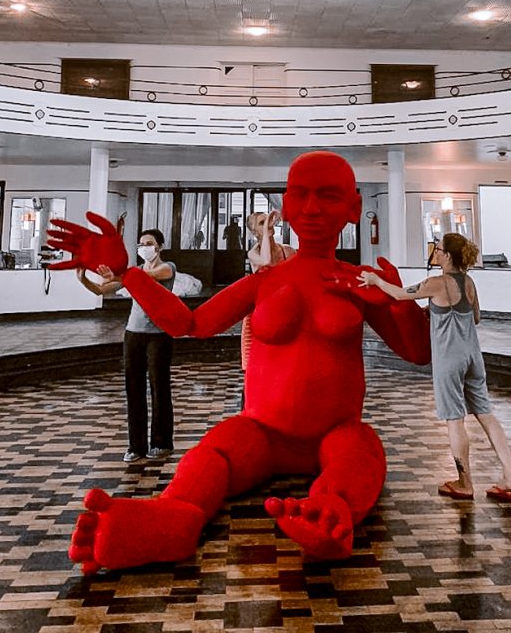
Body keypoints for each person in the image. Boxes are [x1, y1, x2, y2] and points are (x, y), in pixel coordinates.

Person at [48, 150, 430, 573]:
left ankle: (331, 510)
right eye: (300, 195)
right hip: (262, 434)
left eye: (328, 196)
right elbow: (190, 323)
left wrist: (399, 301)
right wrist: (129, 273)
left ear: (353, 208)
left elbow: (418, 353)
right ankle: (173, 516)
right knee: (214, 452)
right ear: (285, 206)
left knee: (361, 451)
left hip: (336, 434)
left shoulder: (358, 282)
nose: (312, 209)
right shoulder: (264, 281)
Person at [359, 232, 511, 504]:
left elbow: (399, 294)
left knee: (455, 420)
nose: (436, 252)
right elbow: (475, 317)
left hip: (449, 359)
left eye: (439, 249)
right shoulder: (469, 282)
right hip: (473, 356)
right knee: (486, 415)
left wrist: (376, 280)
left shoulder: (436, 283)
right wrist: (437, 312)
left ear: (447, 255)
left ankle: (464, 483)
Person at [77, 228, 177, 464]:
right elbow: (101, 289)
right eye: (141, 244)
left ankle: (162, 443)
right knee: (134, 389)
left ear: (160, 247)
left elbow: (152, 276)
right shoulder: (134, 273)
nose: (144, 248)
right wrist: (83, 279)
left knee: (159, 388)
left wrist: (121, 275)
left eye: (149, 243)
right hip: (133, 334)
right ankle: (136, 446)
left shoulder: (168, 267)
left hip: (159, 335)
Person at [241, 209, 296, 372]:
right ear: (254, 233)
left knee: (285, 364)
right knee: (258, 367)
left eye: (268, 220)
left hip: (284, 312)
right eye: (262, 223)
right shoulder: (253, 253)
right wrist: (266, 231)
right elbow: (266, 261)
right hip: (259, 315)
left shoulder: (287, 251)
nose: (268, 224)